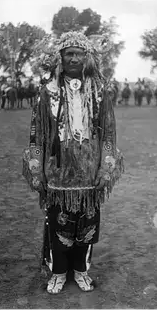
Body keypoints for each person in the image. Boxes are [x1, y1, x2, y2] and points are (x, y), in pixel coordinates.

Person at [22, 31, 124, 294]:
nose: (74, 59)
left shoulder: (100, 92)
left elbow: (109, 132)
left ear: (87, 58)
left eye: (79, 53)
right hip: (58, 173)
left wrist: (106, 166)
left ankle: (81, 271)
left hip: (90, 174)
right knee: (59, 224)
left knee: (87, 226)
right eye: (69, 54)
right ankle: (57, 273)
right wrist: (36, 169)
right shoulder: (48, 93)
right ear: (60, 58)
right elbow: (37, 134)